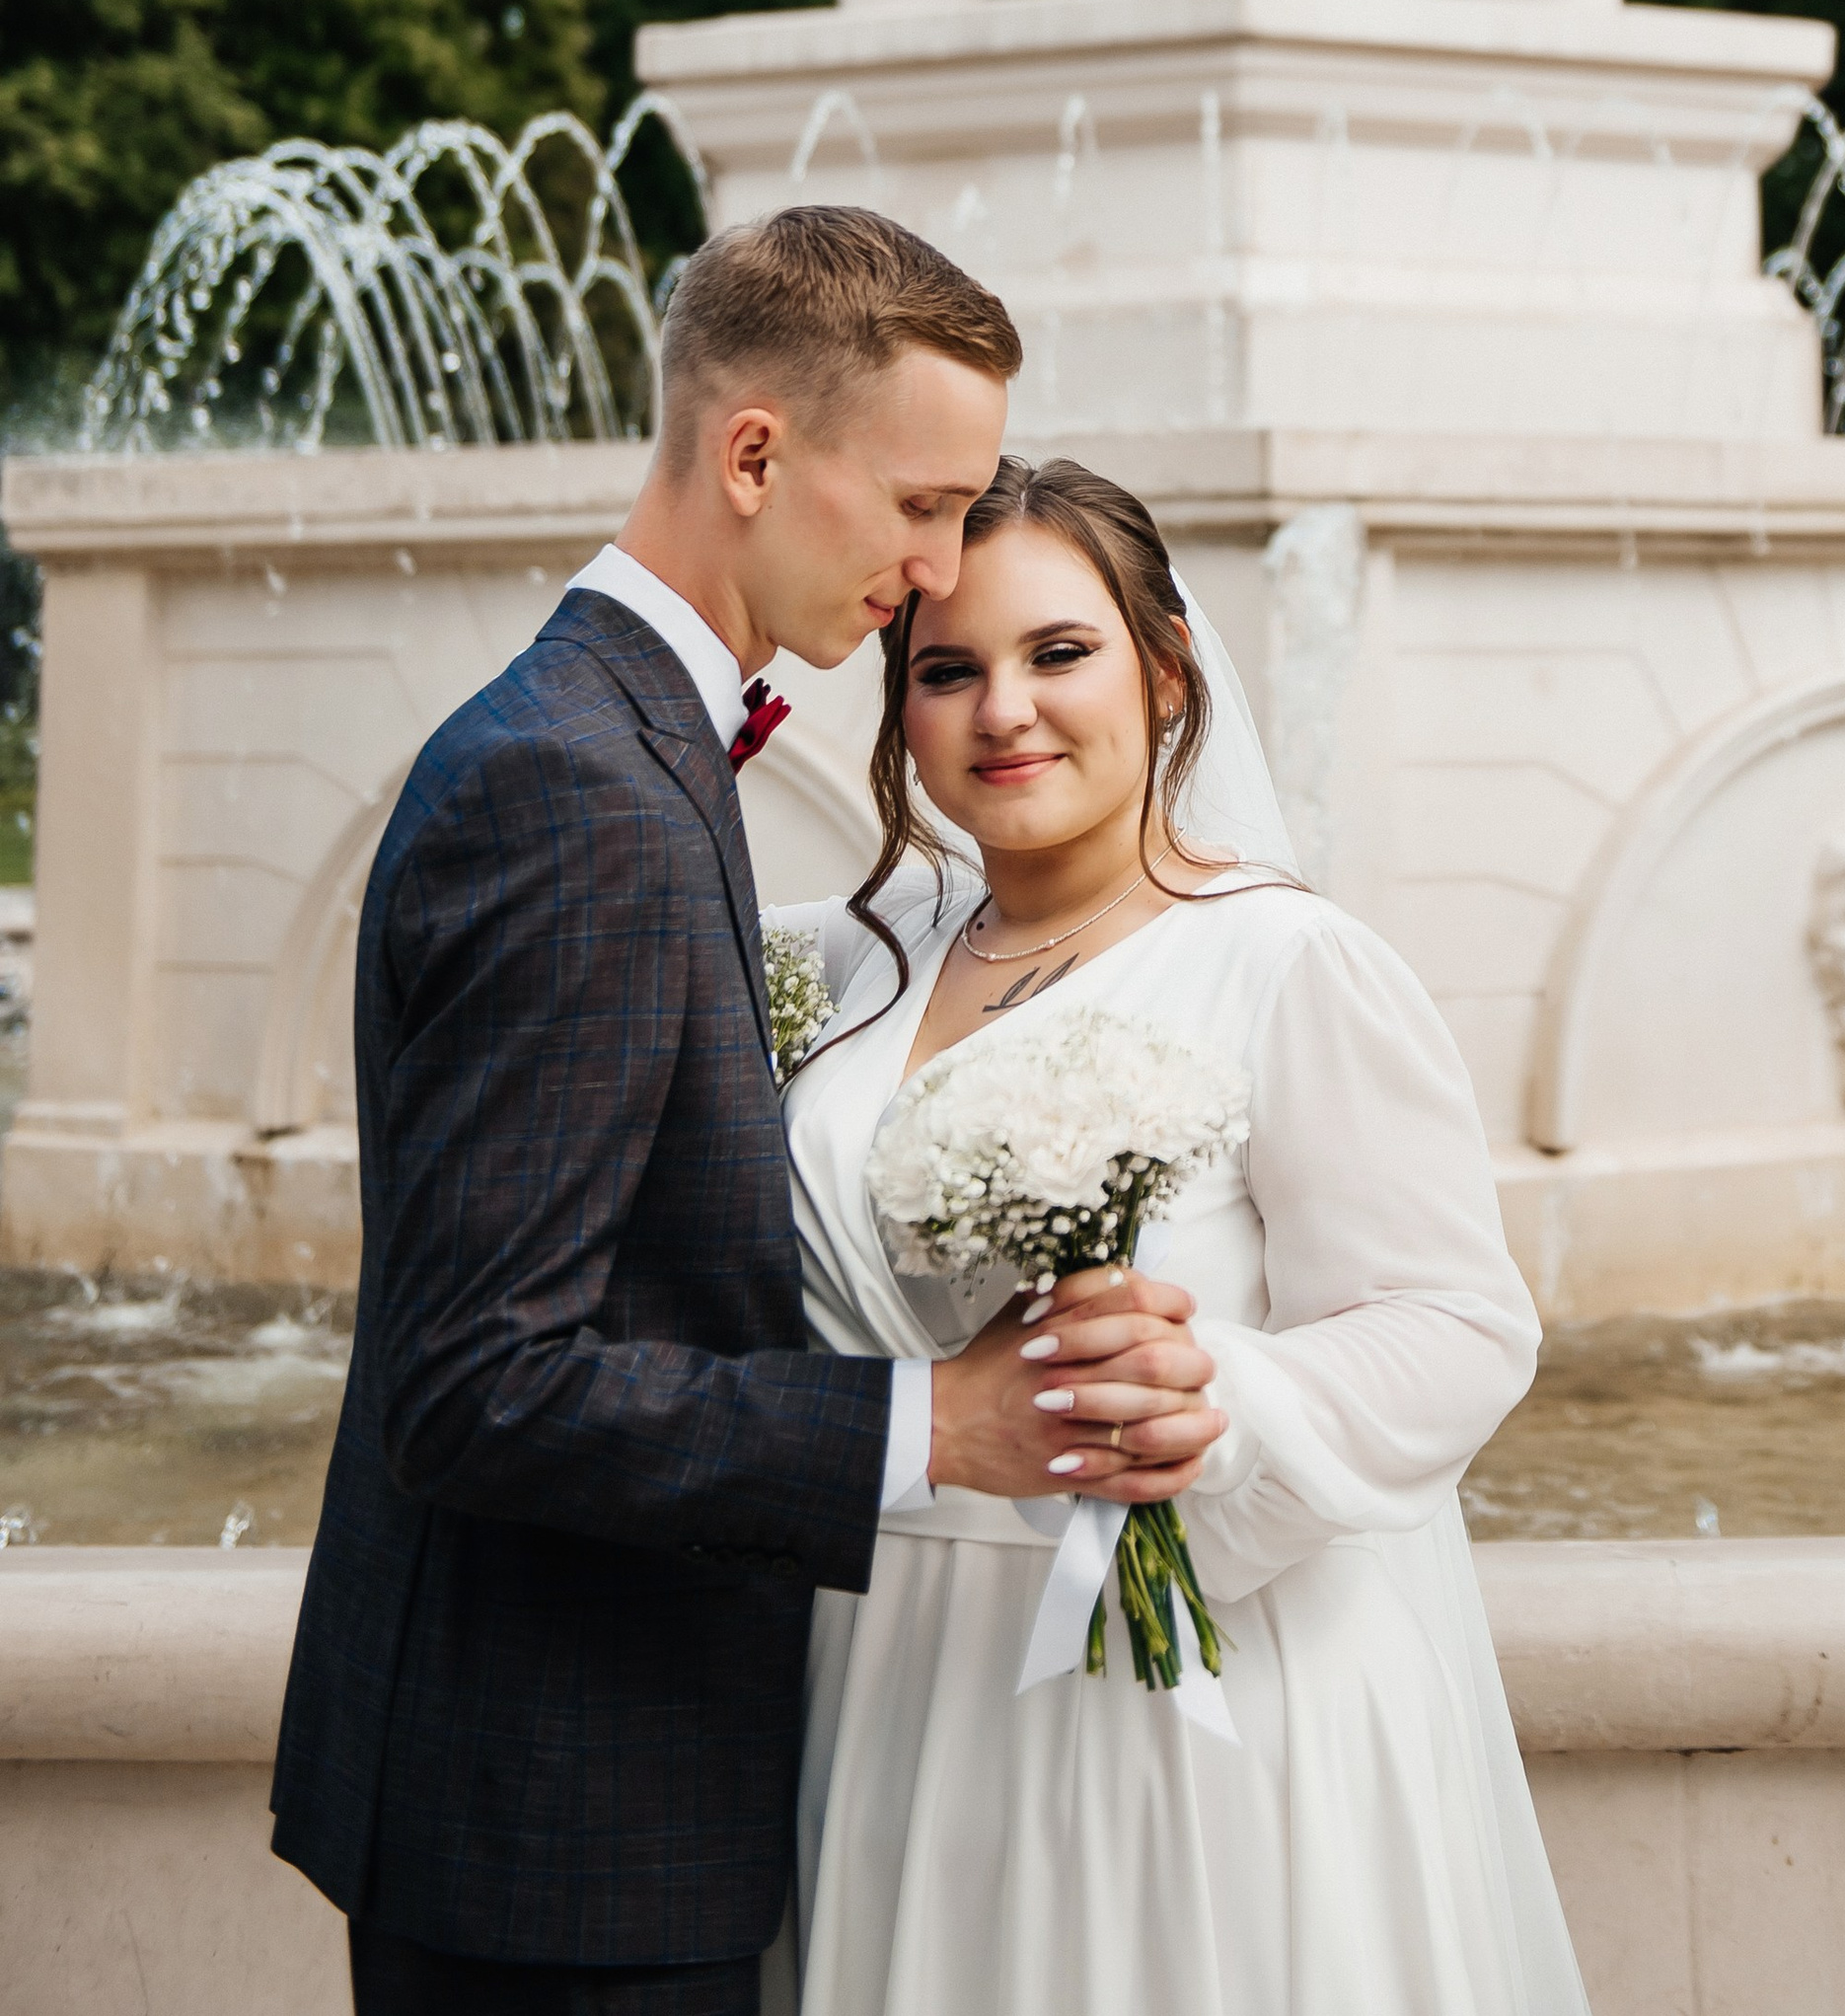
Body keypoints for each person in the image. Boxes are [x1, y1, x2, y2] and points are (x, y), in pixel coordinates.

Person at [272, 211, 1225, 2015]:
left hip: (577, 1795)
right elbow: (477, 1385)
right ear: (756, 453)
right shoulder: (580, 790)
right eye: (926, 505)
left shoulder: (622, 742)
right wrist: (933, 1425)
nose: (945, 572)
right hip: (562, 1831)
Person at [766, 453, 1589, 2016]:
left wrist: (1219, 1394)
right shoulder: (845, 964)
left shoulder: (1286, 961)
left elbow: (1460, 1327)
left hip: (1181, 1695)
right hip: (885, 1677)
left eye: (1057, 654)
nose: (1002, 708)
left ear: (1162, 671)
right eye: (949, 671)